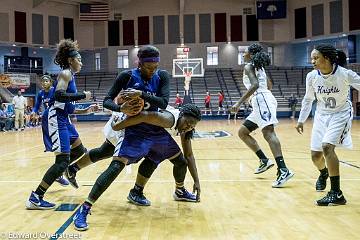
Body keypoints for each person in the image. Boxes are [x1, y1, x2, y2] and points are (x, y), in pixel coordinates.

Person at [72, 45, 199, 231]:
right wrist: (120, 108)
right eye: (149, 67)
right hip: (134, 128)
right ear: (140, 64)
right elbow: (107, 100)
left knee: (179, 161)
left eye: (155, 66)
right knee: (115, 164)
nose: (152, 70)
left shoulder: (162, 76)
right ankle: (84, 208)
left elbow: (163, 102)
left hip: (155, 129)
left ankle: (178, 190)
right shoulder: (127, 76)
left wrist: (141, 94)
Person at [25, 39, 95, 210]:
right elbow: (59, 96)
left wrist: (84, 111)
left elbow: (65, 105)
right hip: (56, 119)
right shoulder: (65, 73)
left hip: (64, 118)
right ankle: (36, 196)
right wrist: (82, 96)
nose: (81, 61)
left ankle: (62, 170)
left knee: (80, 150)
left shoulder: (71, 75)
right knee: (62, 161)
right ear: (71, 60)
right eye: (79, 59)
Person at [295, 44, 360, 206]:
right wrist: (301, 119)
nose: (313, 61)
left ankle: (336, 193)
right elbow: (309, 99)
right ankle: (323, 173)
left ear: (327, 58)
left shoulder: (345, 74)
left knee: (327, 147)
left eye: (316, 58)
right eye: (312, 58)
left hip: (340, 114)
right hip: (321, 115)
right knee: (315, 156)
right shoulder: (311, 76)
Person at [231, 43, 294, 187]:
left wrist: (239, 103)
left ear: (251, 54)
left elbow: (255, 85)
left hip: (261, 100)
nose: (243, 54)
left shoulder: (248, 66)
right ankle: (264, 160)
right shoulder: (259, 67)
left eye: (245, 52)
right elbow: (269, 86)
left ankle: (283, 169)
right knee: (243, 132)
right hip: (263, 100)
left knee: (268, 133)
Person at [32, 75, 71, 186]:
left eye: (46, 81)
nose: (44, 83)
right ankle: (59, 173)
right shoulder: (40, 93)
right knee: (57, 146)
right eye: (42, 81)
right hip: (50, 120)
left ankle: (77, 153)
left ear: (51, 82)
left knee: (68, 141)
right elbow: (36, 105)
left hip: (60, 117)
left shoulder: (55, 91)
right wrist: (34, 112)